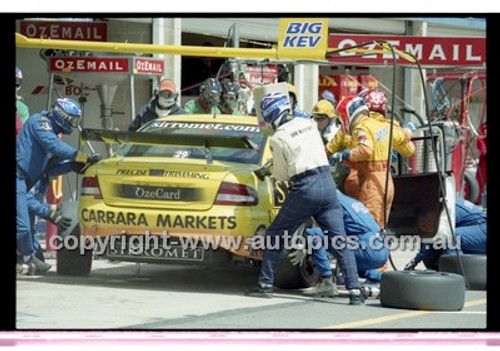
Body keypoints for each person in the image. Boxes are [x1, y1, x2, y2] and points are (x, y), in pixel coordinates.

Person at [245, 92, 364, 305]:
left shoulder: (278, 137)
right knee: (340, 240)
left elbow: (282, 175)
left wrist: (271, 169)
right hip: (327, 184)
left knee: (275, 234)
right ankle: (355, 291)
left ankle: (265, 285)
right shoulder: (308, 123)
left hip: (305, 187)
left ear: (271, 113)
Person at [17, 97, 101, 274]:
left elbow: (50, 169)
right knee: (23, 227)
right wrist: (81, 157)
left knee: (27, 229)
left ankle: (30, 259)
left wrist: (72, 166)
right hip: (18, 177)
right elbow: (54, 146)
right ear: (62, 117)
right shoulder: (39, 123)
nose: (74, 124)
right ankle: (27, 258)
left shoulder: (51, 135)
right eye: (73, 120)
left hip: (24, 182)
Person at [332, 96, 415, 228]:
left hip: (369, 182)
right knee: (381, 225)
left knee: (369, 226)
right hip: (387, 181)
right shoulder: (388, 126)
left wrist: (344, 155)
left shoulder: (361, 127)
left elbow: (365, 149)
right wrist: (409, 129)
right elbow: (410, 148)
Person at [290, 189, 389, 297]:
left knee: (313, 234)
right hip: (381, 251)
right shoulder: (350, 201)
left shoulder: (332, 204)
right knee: (345, 250)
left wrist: (303, 243)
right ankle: (382, 278)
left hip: (367, 251)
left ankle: (326, 282)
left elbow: (324, 233)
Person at [404, 197, 487, 271]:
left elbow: (438, 235)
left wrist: (416, 260)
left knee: (448, 236)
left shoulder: (445, 208)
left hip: (483, 231)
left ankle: (457, 273)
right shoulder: (439, 203)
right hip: (478, 233)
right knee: (441, 239)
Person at [475, 122, 487, 205]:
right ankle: (477, 200)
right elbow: (480, 140)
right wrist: (485, 153)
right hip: (485, 160)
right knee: (480, 182)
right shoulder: (484, 127)